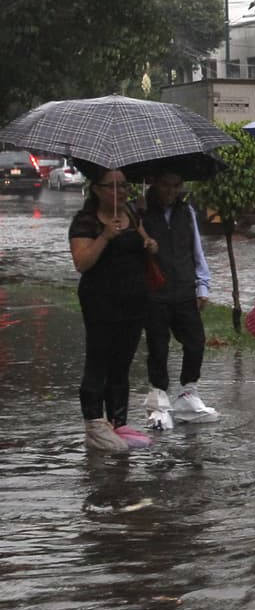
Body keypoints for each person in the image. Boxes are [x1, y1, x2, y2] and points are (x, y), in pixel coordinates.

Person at [68, 168, 160, 453]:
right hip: (100, 300)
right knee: (99, 360)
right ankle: (95, 423)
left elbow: (147, 243)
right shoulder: (85, 221)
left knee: (123, 361)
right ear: (97, 189)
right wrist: (105, 236)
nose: (121, 191)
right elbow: (82, 263)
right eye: (113, 186)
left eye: (124, 185)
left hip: (133, 298)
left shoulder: (131, 212)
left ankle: (118, 421)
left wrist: (150, 244)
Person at [140, 171, 217, 427]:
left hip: (184, 288)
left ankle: (188, 393)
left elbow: (197, 250)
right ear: (155, 184)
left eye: (176, 186)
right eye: (165, 185)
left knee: (196, 341)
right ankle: (158, 401)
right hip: (154, 292)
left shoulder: (187, 213)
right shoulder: (140, 213)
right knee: (158, 346)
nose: (171, 192)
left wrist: (202, 285)